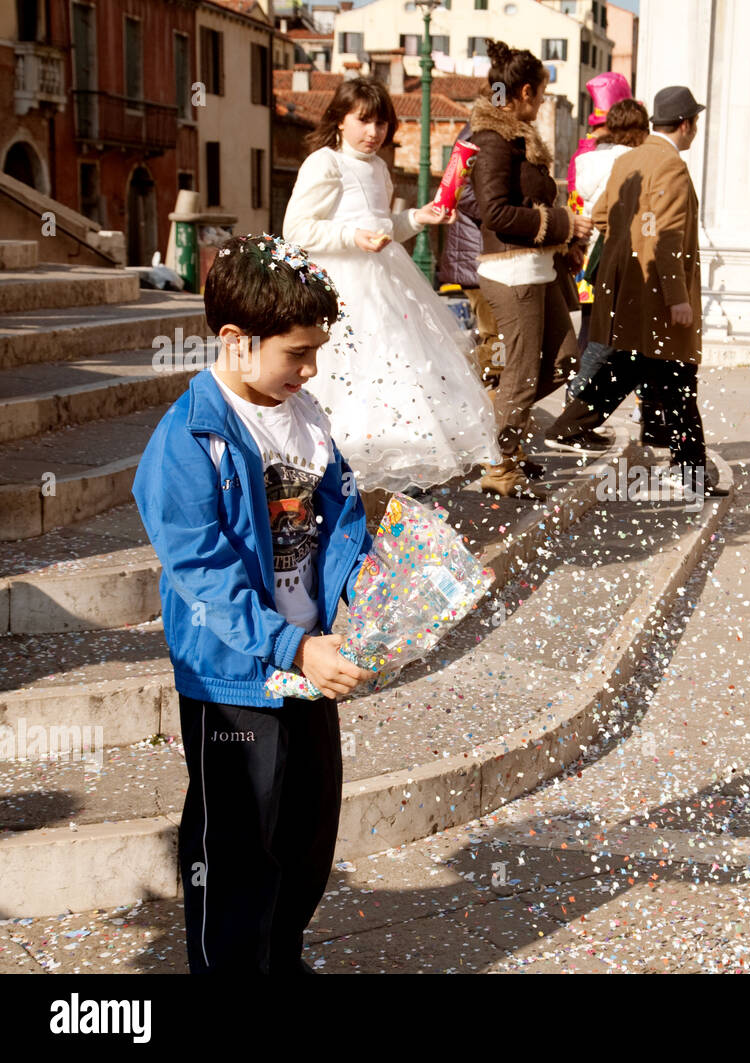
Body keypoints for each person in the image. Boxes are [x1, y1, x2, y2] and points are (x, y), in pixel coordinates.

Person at [132, 235, 376, 973]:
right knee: (237, 844)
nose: (310, 370)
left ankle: (281, 954)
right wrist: (292, 645)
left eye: (317, 353)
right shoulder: (186, 440)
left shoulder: (306, 414)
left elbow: (344, 514)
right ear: (237, 342)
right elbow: (202, 577)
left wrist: (361, 594)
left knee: (306, 832)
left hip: (308, 664)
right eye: (297, 353)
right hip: (235, 678)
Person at [282, 77, 499, 496]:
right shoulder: (324, 162)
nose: (373, 132)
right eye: (363, 121)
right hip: (339, 292)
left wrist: (420, 219)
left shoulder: (379, 167)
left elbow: (385, 227)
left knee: (394, 374)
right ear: (340, 120)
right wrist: (352, 239)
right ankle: (330, 476)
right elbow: (297, 230)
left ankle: (375, 483)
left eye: (381, 123)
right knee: (344, 377)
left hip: (387, 286)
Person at [542, 86, 726, 497]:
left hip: (624, 288)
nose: (694, 131)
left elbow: (602, 215)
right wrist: (678, 297)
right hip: (657, 294)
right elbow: (666, 237)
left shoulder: (628, 158)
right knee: (676, 375)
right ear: (686, 125)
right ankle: (689, 472)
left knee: (630, 366)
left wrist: (626, 250)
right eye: (694, 123)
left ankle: (571, 426)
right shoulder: (671, 167)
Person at [470, 40, 596, 500]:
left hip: (538, 269)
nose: (542, 104)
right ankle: (501, 468)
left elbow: (530, 205)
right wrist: (563, 223)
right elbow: (496, 215)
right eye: (541, 95)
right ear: (524, 92)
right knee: (522, 377)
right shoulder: (492, 141)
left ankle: (500, 417)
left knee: (564, 361)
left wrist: (565, 243)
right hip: (510, 273)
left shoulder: (518, 139)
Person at [567, 98, 650, 399]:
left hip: (589, 258)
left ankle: (580, 398)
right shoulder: (634, 164)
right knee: (615, 339)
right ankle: (578, 398)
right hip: (621, 259)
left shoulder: (588, 163)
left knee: (594, 331)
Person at [437, 122, 501, 391]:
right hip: (475, 258)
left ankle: (486, 397)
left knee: (497, 339)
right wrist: (501, 209)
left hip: (481, 257)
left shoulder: (483, 134)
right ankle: (450, 377)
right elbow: (460, 193)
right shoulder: (477, 136)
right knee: (497, 339)